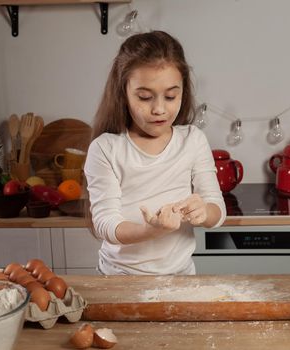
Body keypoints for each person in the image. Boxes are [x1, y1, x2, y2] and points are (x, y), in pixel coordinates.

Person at [84, 31, 226, 275]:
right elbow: (105, 225)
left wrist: (204, 212)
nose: (159, 109)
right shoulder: (106, 149)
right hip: (119, 278)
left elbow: (217, 210)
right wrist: (152, 230)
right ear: (123, 93)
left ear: (183, 91)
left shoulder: (192, 140)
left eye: (171, 96)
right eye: (145, 97)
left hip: (181, 277)